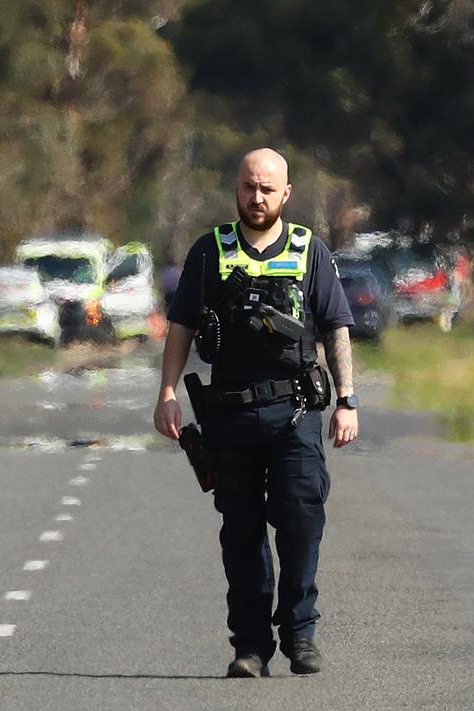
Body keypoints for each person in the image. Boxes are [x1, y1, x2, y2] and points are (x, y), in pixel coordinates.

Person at [153, 148, 359, 678]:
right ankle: (250, 646)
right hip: (231, 415)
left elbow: (336, 325)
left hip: (294, 413)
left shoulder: (310, 251)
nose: (258, 197)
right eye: (249, 187)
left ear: (286, 194)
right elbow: (181, 327)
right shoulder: (209, 252)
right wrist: (168, 393)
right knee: (241, 532)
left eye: (268, 188)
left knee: (301, 520)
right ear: (236, 190)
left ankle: (300, 633)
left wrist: (347, 400)